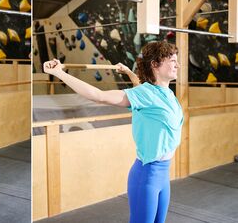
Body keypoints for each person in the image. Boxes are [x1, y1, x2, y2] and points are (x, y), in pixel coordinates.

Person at [43, 41, 183, 223]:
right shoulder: (144, 94)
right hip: (147, 176)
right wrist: (59, 73)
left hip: (163, 175)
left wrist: (127, 71)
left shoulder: (165, 93)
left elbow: (142, 87)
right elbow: (98, 95)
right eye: (172, 60)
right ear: (155, 64)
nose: (177, 64)